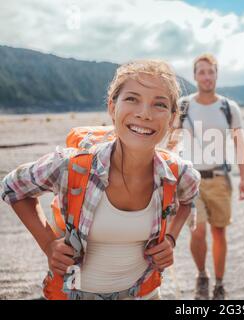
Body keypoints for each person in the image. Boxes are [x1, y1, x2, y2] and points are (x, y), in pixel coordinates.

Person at [0, 59, 201, 300]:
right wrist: (48, 244)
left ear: (171, 118)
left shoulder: (179, 173)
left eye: (159, 104)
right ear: (111, 107)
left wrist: (171, 238)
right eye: (132, 99)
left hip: (145, 294)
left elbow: (189, 199)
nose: (144, 114)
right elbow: (13, 187)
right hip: (75, 293)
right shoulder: (71, 165)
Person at [172, 53, 244, 300]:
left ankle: (219, 282)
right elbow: (172, 143)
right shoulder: (183, 105)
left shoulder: (228, 107)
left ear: (216, 74)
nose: (206, 76)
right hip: (190, 180)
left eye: (211, 72)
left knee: (219, 233)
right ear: (195, 76)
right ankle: (202, 274)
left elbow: (240, 145)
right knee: (197, 230)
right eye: (201, 72)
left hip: (219, 179)